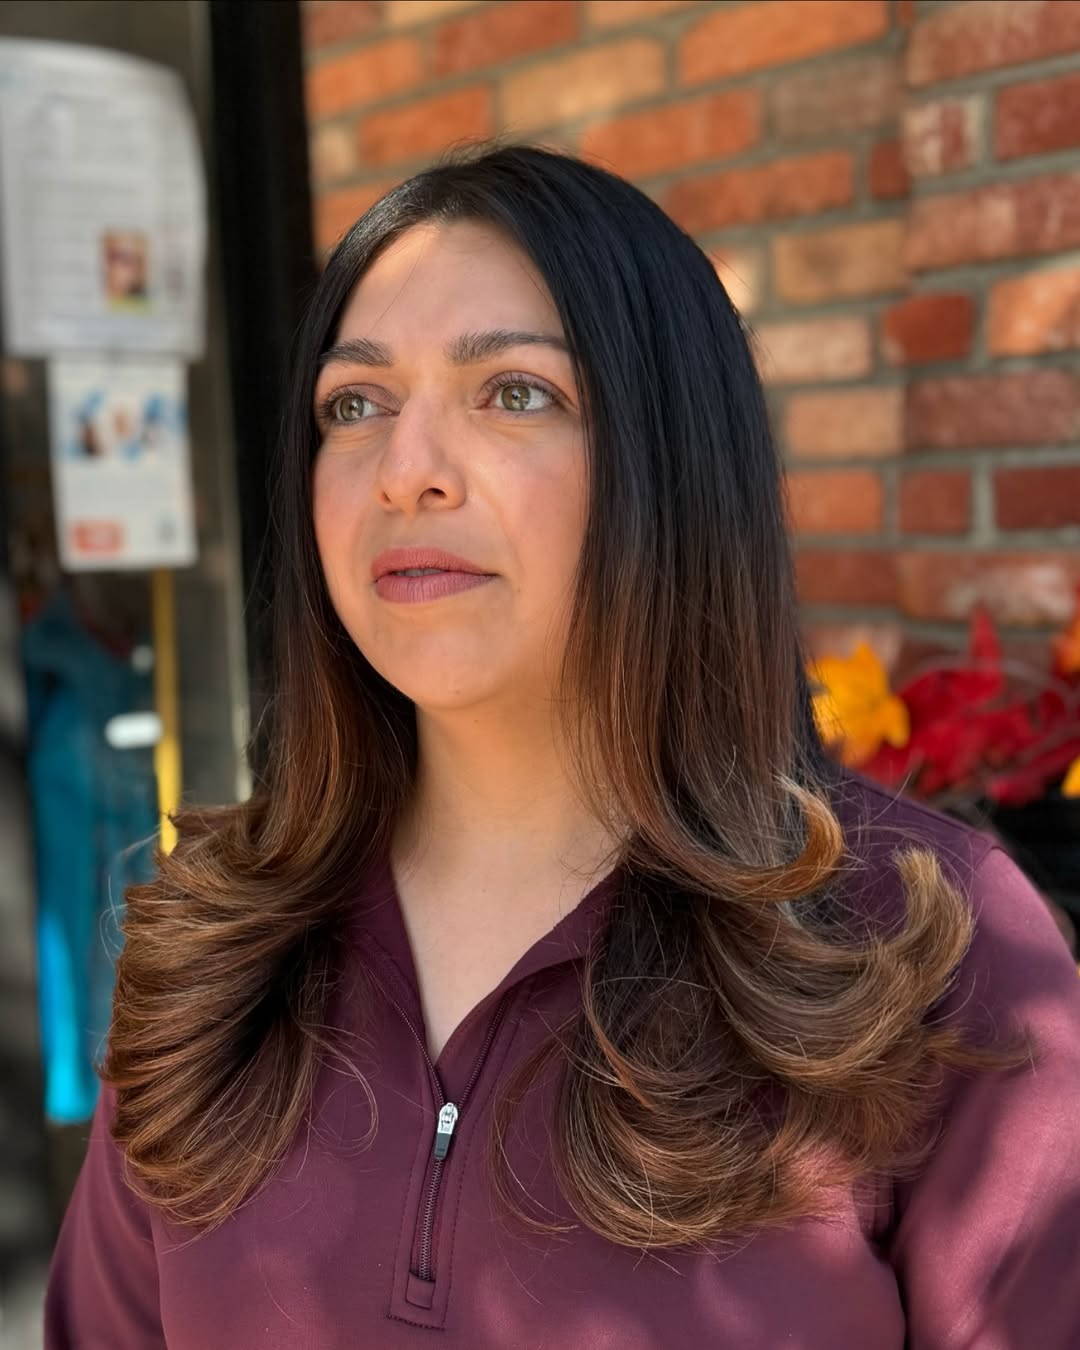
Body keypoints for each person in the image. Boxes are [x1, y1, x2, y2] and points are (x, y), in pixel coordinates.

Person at [44, 143, 1080, 1348]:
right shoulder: (213, 955)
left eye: (515, 392)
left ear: (671, 460)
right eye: (355, 405)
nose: (407, 472)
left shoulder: (928, 949)